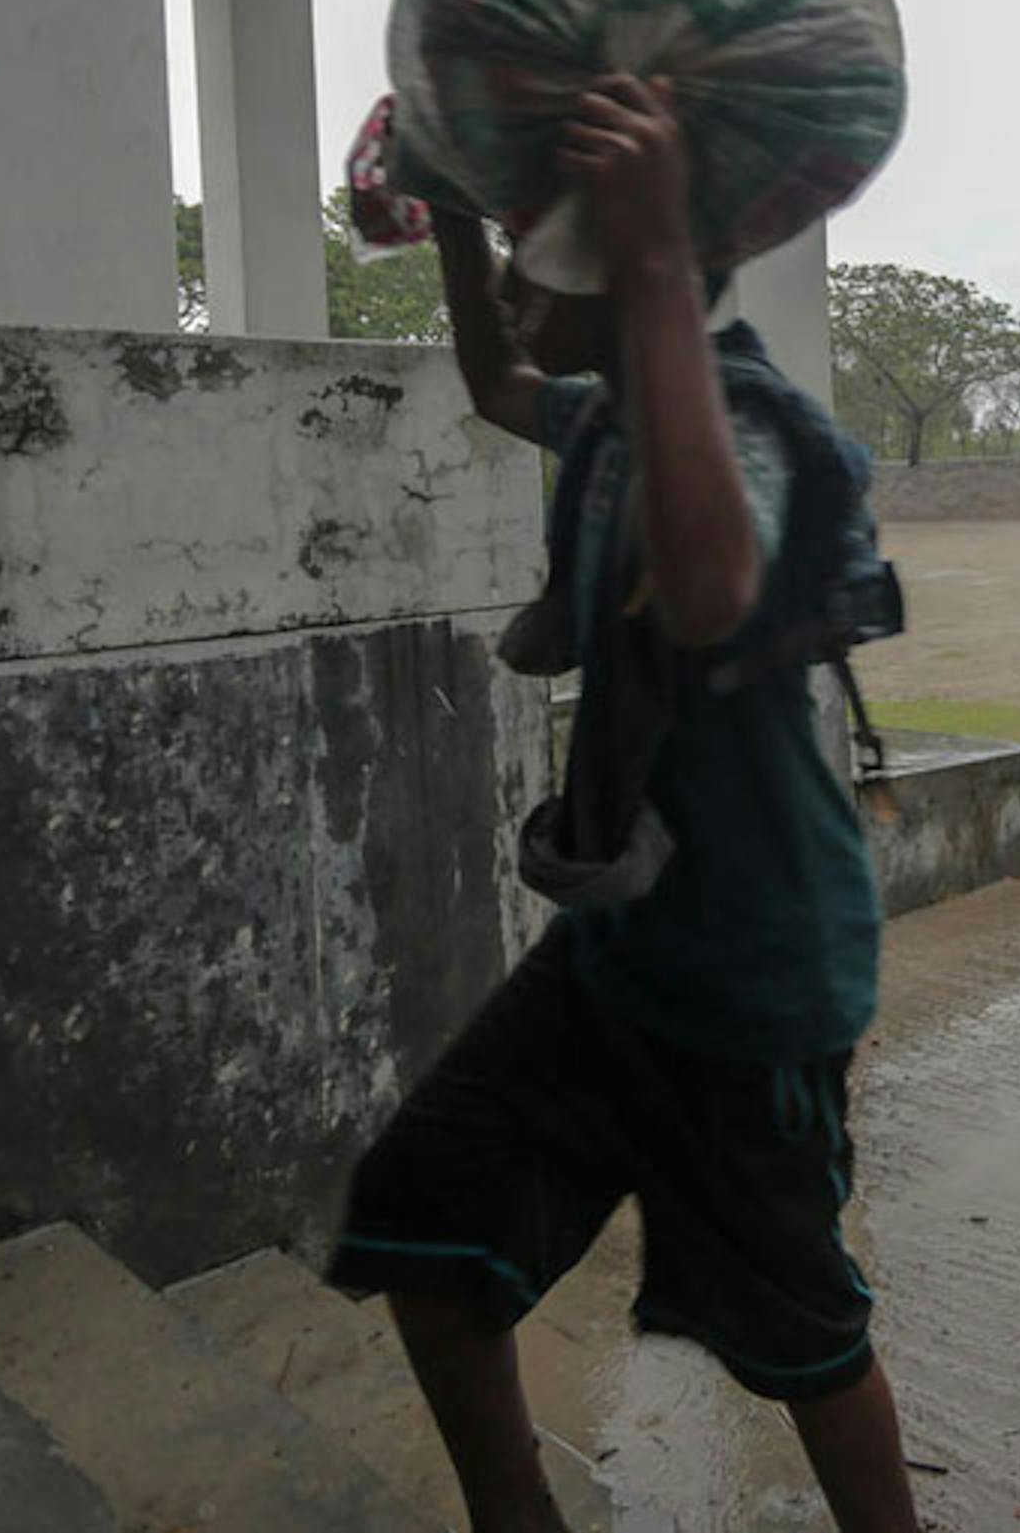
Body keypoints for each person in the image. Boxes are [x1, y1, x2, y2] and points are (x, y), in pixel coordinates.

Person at [324, 76, 920, 1533]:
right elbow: (492, 384)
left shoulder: (759, 429)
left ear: (619, 260)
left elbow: (713, 585)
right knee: (428, 1213)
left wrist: (654, 256)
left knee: (804, 1338)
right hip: (622, 960)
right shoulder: (598, 417)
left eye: (535, 241)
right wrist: (458, 230)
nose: (521, 278)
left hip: (754, 978)